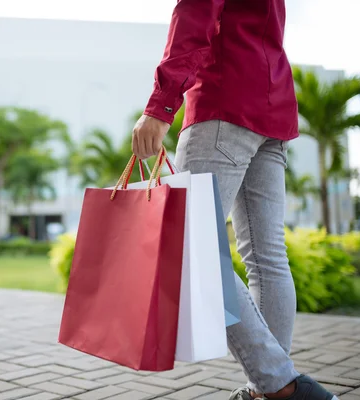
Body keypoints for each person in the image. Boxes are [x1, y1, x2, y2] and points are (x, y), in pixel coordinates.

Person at [132, 1, 337, 400]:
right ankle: (267, 390)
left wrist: (160, 105)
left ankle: (281, 385)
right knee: (267, 257)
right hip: (271, 107)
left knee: (192, 252)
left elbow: (193, 18)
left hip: (222, 105)